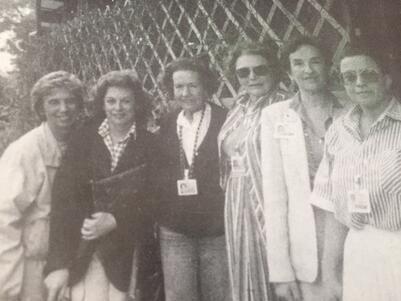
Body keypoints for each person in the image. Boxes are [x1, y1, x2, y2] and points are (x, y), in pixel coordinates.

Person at [44, 70, 156, 301]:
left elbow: (157, 200)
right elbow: (64, 202)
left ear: (137, 105)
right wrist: (58, 264)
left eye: (126, 101)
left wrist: (117, 220)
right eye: (111, 101)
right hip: (86, 250)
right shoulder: (83, 140)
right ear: (102, 104)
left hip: (130, 252)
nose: (118, 108)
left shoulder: (151, 145)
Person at [311, 43, 401, 301]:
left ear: (387, 78)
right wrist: (330, 274)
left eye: (368, 74)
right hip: (358, 250)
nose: (359, 83)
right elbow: (331, 208)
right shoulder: (338, 131)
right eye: (350, 77)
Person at [260, 36, 345, 301]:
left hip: (349, 233)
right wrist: (281, 271)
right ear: (289, 70)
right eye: (298, 63)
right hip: (305, 246)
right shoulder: (275, 116)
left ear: (329, 65)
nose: (307, 70)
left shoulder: (351, 110)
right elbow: (274, 198)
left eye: (315, 61)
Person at [0, 71, 85, 301]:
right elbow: (5, 219)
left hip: (69, 261)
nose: (63, 109)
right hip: (30, 264)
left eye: (70, 101)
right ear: (41, 108)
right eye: (54, 102)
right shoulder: (24, 152)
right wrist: (7, 286)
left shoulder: (82, 144)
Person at [218, 40, 288, 301]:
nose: (251, 77)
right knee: (246, 276)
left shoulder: (285, 107)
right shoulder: (238, 107)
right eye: (243, 72)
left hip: (271, 206)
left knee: (276, 277)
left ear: (275, 70)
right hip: (237, 205)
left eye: (260, 70)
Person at [156, 57, 229, 301]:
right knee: (179, 296)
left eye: (193, 86)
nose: (185, 93)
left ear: (206, 87)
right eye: (179, 87)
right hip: (176, 232)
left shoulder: (225, 120)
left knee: (219, 294)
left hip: (215, 230)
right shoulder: (167, 122)